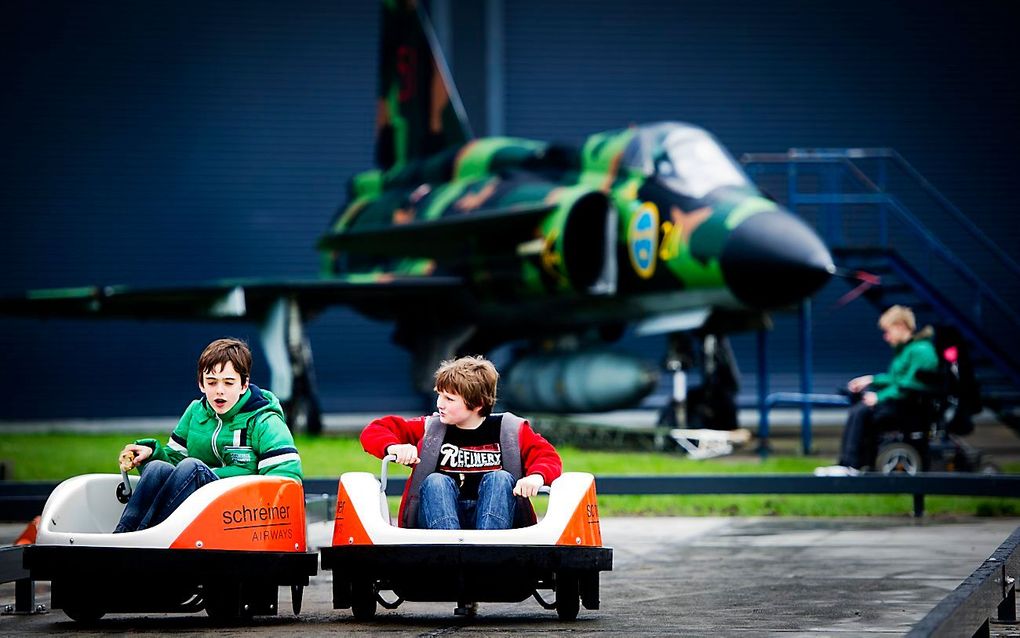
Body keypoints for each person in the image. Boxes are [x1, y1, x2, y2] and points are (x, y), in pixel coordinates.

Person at [114, 338, 303, 533]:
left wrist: (262, 522)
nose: (219, 390)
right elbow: (175, 465)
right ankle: (122, 536)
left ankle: (150, 535)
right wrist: (151, 453)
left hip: (242, 513)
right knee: (156, 468)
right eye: (211, 382)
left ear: (244, 385)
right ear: (201, 384)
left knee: (192, 466)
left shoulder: (263, 420)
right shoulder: (196, 412)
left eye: (229, 383)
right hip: (198, 508)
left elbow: (286, 478)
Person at [360, 355, 562, 530]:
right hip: (438, 522)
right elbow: (375, 430)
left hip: (498, 525)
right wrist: (394, 447)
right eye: (439, 395)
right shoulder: (430, 429)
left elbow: (547, 456)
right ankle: (448, 552)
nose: (440, 404)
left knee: (500, 479)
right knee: (435, 481)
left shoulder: (510, 429)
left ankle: (488, 552)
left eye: (449, 398)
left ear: (477, 403)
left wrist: (536, 477)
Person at [815, 306, 938, 477]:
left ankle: (851, 465)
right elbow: (897, 379)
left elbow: (910, 383)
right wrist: (871, 380)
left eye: (888, 331)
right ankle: (849, 463)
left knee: (862, 411)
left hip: (911, 408)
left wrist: (878, 397)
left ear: (901, 326)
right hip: (902, 403)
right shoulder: (907, 350)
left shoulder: (922, 351)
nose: (885, 337)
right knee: (860, 407)